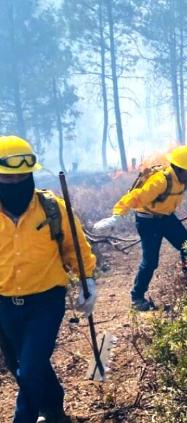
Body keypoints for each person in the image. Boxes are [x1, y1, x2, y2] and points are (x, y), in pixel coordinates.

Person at [0, 135, 97, 423]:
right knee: (22, 363)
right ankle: (54, 409)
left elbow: (75, 247)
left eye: (23, 177)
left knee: (30, 368)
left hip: (46, 301)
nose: (16, 184)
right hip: (4, 303)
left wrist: (88, 280)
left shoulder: (52, 208)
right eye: (8, 179)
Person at [93, 146, 187, 312]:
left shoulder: (181, 180)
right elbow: (136, 196)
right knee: (150, 261)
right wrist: (117, 215)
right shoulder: (160, 181)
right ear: (179, 168)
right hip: (148, 221)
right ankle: (137, 297)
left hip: (166, 218)